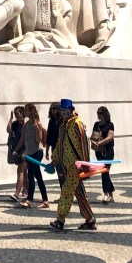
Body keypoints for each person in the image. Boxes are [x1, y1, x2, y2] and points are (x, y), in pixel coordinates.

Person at [48, 98, 97, 232]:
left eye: (65, 110)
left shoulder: (77, 124)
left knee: (67, 191)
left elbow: (84, 144)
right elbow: (59, 145)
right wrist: (54, 160)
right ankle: (90, 219)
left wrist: (86, 163)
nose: (63, 113)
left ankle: (60, 219)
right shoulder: (63, 126)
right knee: (79, 193)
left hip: (75, 165)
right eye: (62, 110)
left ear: (71, 110)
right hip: (66, 165)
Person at [19, 104, 49, 208]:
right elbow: (23, 139)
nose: (25, 112)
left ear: (31, 111)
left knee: (31, 175)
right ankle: (45, 200)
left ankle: (29, 200)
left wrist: (37, 130)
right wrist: (18, 150)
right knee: (38, 177)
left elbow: (38, 140)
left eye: (26, 110)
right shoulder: (26, 124)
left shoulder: (37, 124)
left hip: (37, 153)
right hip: (29, 153)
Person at [91, 105, 116, 201]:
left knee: (104, 171)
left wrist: (100, 142)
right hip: (99, 151)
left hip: (108, 151)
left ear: (105, 114)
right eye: (98, 114)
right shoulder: (96, 124)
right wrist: (93, 142)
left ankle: (105, 193)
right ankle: (111, 192)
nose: (99, 116)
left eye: (100, 114)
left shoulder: (110, 125)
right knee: (105, 171)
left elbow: (110, 137)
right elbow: (93, 135)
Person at [6, 105, 27, 202]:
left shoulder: (26, 125)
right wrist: (10, 118)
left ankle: (16, 194)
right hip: (16, 150)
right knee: (24, 172)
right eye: (14, 114)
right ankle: (25, 190)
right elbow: (8, 130)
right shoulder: (15, 124)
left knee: (20, 172)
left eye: (17, 113)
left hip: (24, 150)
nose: (15, 115)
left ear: (22, 114)